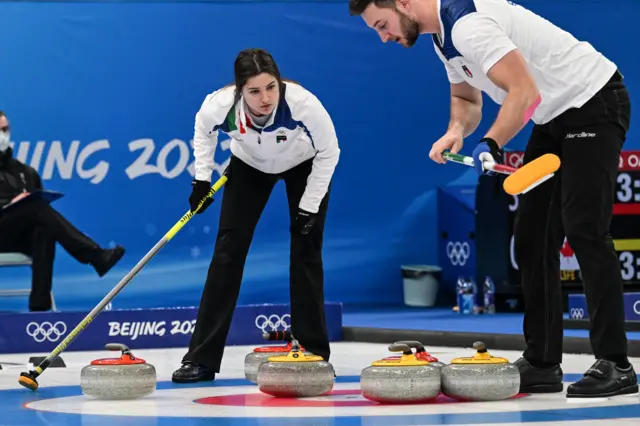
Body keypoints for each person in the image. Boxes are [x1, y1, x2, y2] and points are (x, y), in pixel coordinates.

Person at [349, 0, 636, 398]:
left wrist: (492, 142)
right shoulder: (442, 38)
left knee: (584, 228)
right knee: (533, 238)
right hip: (552, 117)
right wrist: (456, 132)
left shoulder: (468, 26)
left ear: (403, 4)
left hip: (593, 100)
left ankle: (616, 364)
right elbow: (467, 102)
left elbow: (524, 91)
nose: (384, 37)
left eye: (382, 25)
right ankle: (542, 362)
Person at [171, 48, 340, 383]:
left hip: (303, 164)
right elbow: (203, 131)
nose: (265, 98)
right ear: (239, 91)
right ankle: (201, 359)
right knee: (227, 253)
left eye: (271, 87)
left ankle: (313, 352)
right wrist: (201, 178)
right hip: (249, 165)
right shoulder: (220, 106)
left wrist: (310, 204)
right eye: (255, 91)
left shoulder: (303, 104)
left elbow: (329, 151)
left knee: (306, 250)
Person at [0, 111, 126, 311]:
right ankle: (94, 255)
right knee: (35, 207)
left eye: (5, 129)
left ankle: (39, 310)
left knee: (44, 230)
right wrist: (10, 203)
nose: (2, 135)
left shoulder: (25, 171)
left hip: (17, 236)